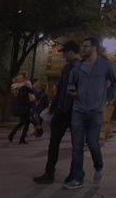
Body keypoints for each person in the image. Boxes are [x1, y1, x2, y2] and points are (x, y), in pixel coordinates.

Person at [63, 36, 116, 189]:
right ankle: (78, 178)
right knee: (77, 145)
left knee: (93, 143)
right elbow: (71, 83)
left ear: (94, 48)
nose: (83, 48)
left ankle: (99, 166)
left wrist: (108, 98)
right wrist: (72, 91)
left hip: (95, 111)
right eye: (83, 46)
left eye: (86, 46)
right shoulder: (78, 66)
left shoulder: (105, 65)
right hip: (78, 110)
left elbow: (114, 82)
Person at [33, 41, 81, 184]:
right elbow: (61, 89)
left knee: (76, 144)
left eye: (65, 52)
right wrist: (53, 106)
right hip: (61, 110)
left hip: (75, 111)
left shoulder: (82, 67)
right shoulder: (66, 68)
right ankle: (49, 172)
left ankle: (74, 173)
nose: (63, 55)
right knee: (53, 142)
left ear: (71, 52)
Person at [9, 72, 34, 144]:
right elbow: (31, 92)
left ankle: (20, 138)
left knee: (25, 122)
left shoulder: (16, 86)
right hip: (25, 105)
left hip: (20, 105)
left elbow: (15, 93)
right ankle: (14, 135)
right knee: (24, 122)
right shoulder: (26, 84)